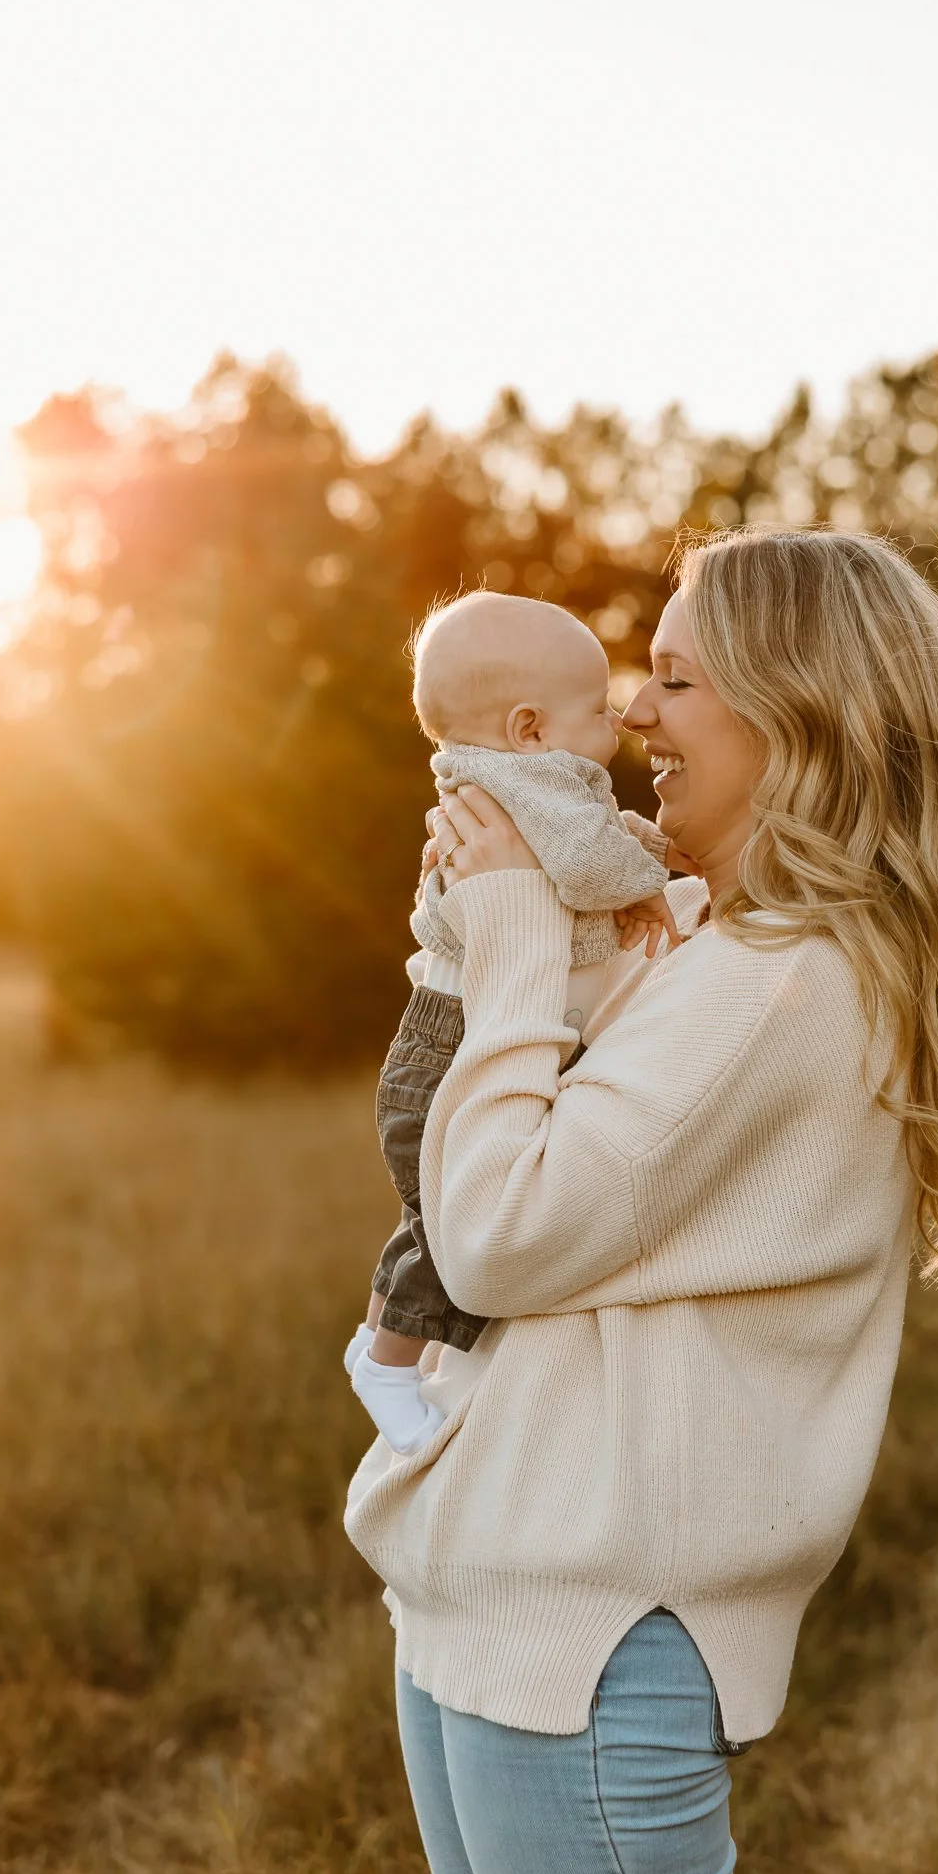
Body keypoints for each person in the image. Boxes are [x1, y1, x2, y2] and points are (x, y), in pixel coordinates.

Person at [343, 528, 938, 1874]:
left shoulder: (785, 980)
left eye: (676, 681)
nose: (634, 715)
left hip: (592, 1636)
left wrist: (516, 934)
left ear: (800, 718)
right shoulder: (711, 943)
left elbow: (494, 1231)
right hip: (493, 1602)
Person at [344, 590, 682, 1453]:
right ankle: (387, 1364)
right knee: (456, 1226)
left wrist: (643, 864)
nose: (622, 724)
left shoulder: (505, 780)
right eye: (601, 711)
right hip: (451, 1041)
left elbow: (590, 848)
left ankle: (384, 1353)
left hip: (444, 1033)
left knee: (431, 1213)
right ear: (530, 726)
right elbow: (583, 857)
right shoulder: (530, 782)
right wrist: (648, 879)